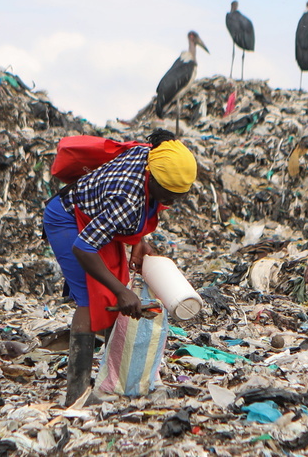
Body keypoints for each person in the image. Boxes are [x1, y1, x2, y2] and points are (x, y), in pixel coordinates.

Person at [43, 128, 198, 406]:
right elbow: (83, 247)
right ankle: (76, 395)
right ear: (152, 179)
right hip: (68, 218)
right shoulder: (127, 199)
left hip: (97, 217)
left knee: (114, 294)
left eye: (180, 195)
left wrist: (140, 241)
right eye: (169, 194)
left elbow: (143, 207)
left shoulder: (152, 155)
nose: (173, 202)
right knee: (92, 299)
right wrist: (121, 292)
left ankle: (118, 378)